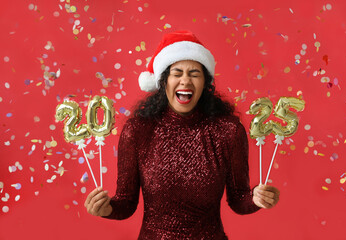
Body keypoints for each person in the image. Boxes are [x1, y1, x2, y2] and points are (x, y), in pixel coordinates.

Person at [84, 30, 280, 239]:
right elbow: (125, 203)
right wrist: (106, 209)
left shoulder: (228, 131)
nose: (185, 81)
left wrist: (257, 199)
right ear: (163, 81)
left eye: (194, 74)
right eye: (177, 73)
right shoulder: (138, 131)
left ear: (205, 82)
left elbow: (239, 199)